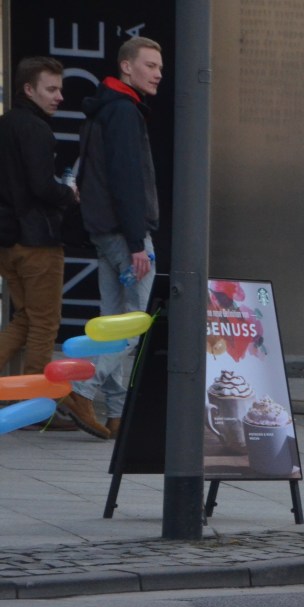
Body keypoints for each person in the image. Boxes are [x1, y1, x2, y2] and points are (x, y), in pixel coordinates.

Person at [63, 36, 164, 440]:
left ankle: (117, 415)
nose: (158, 73)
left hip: (106, 231)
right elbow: (126, 179)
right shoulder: (122, 111)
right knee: (133, 326)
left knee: (110, 324)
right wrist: (137, 242)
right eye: (150, 65)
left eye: (160, 66)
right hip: (126, 235)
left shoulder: (103, 108)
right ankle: (81, 390)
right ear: (127, 67)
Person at [0, 57, 80, 388]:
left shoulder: (4, 124)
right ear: (29, 89)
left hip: (7, 241)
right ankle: (33, 401)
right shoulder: (36, 129)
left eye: (60, 89)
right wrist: (68, 193)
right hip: (37, 241)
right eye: (51, 89)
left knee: (24, 319)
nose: (59, 96)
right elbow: (41, 186)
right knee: (44, 323)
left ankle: (26, 397)